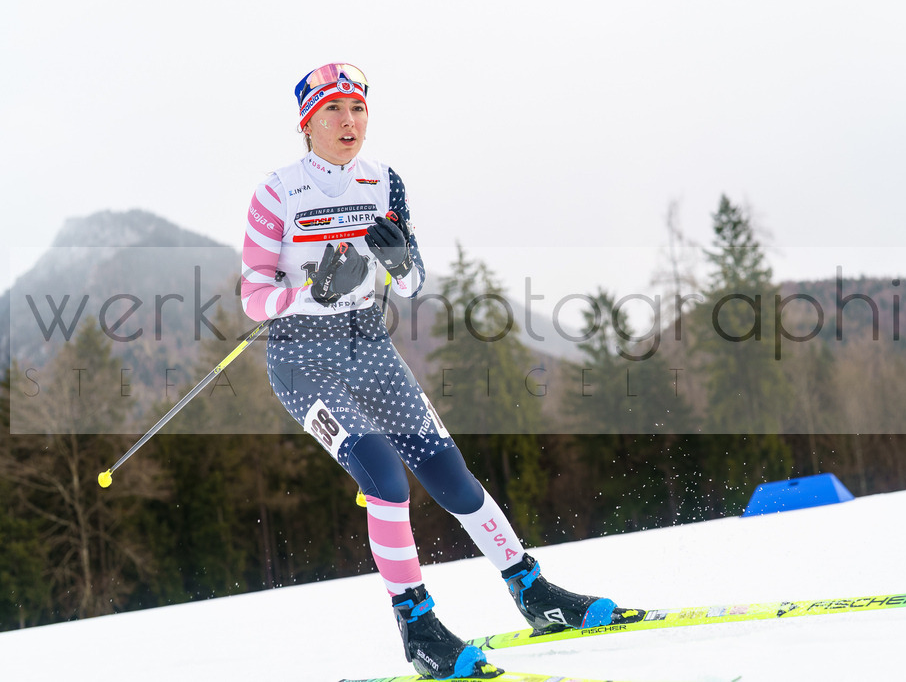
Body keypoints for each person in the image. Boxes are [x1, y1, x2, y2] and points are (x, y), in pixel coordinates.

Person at [239, 63, 641, 680]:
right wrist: (313, 293)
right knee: (386, 478)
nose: (350, 122)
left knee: (451, 478)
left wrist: (399, 260)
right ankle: (418, 627)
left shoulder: (385, 181)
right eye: (333, 111)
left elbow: (413, 281)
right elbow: (254, 298)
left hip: (369, 346)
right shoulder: (277, 193)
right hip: (303, 362)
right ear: (307, 123)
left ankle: (533, 592)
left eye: (359, 109)